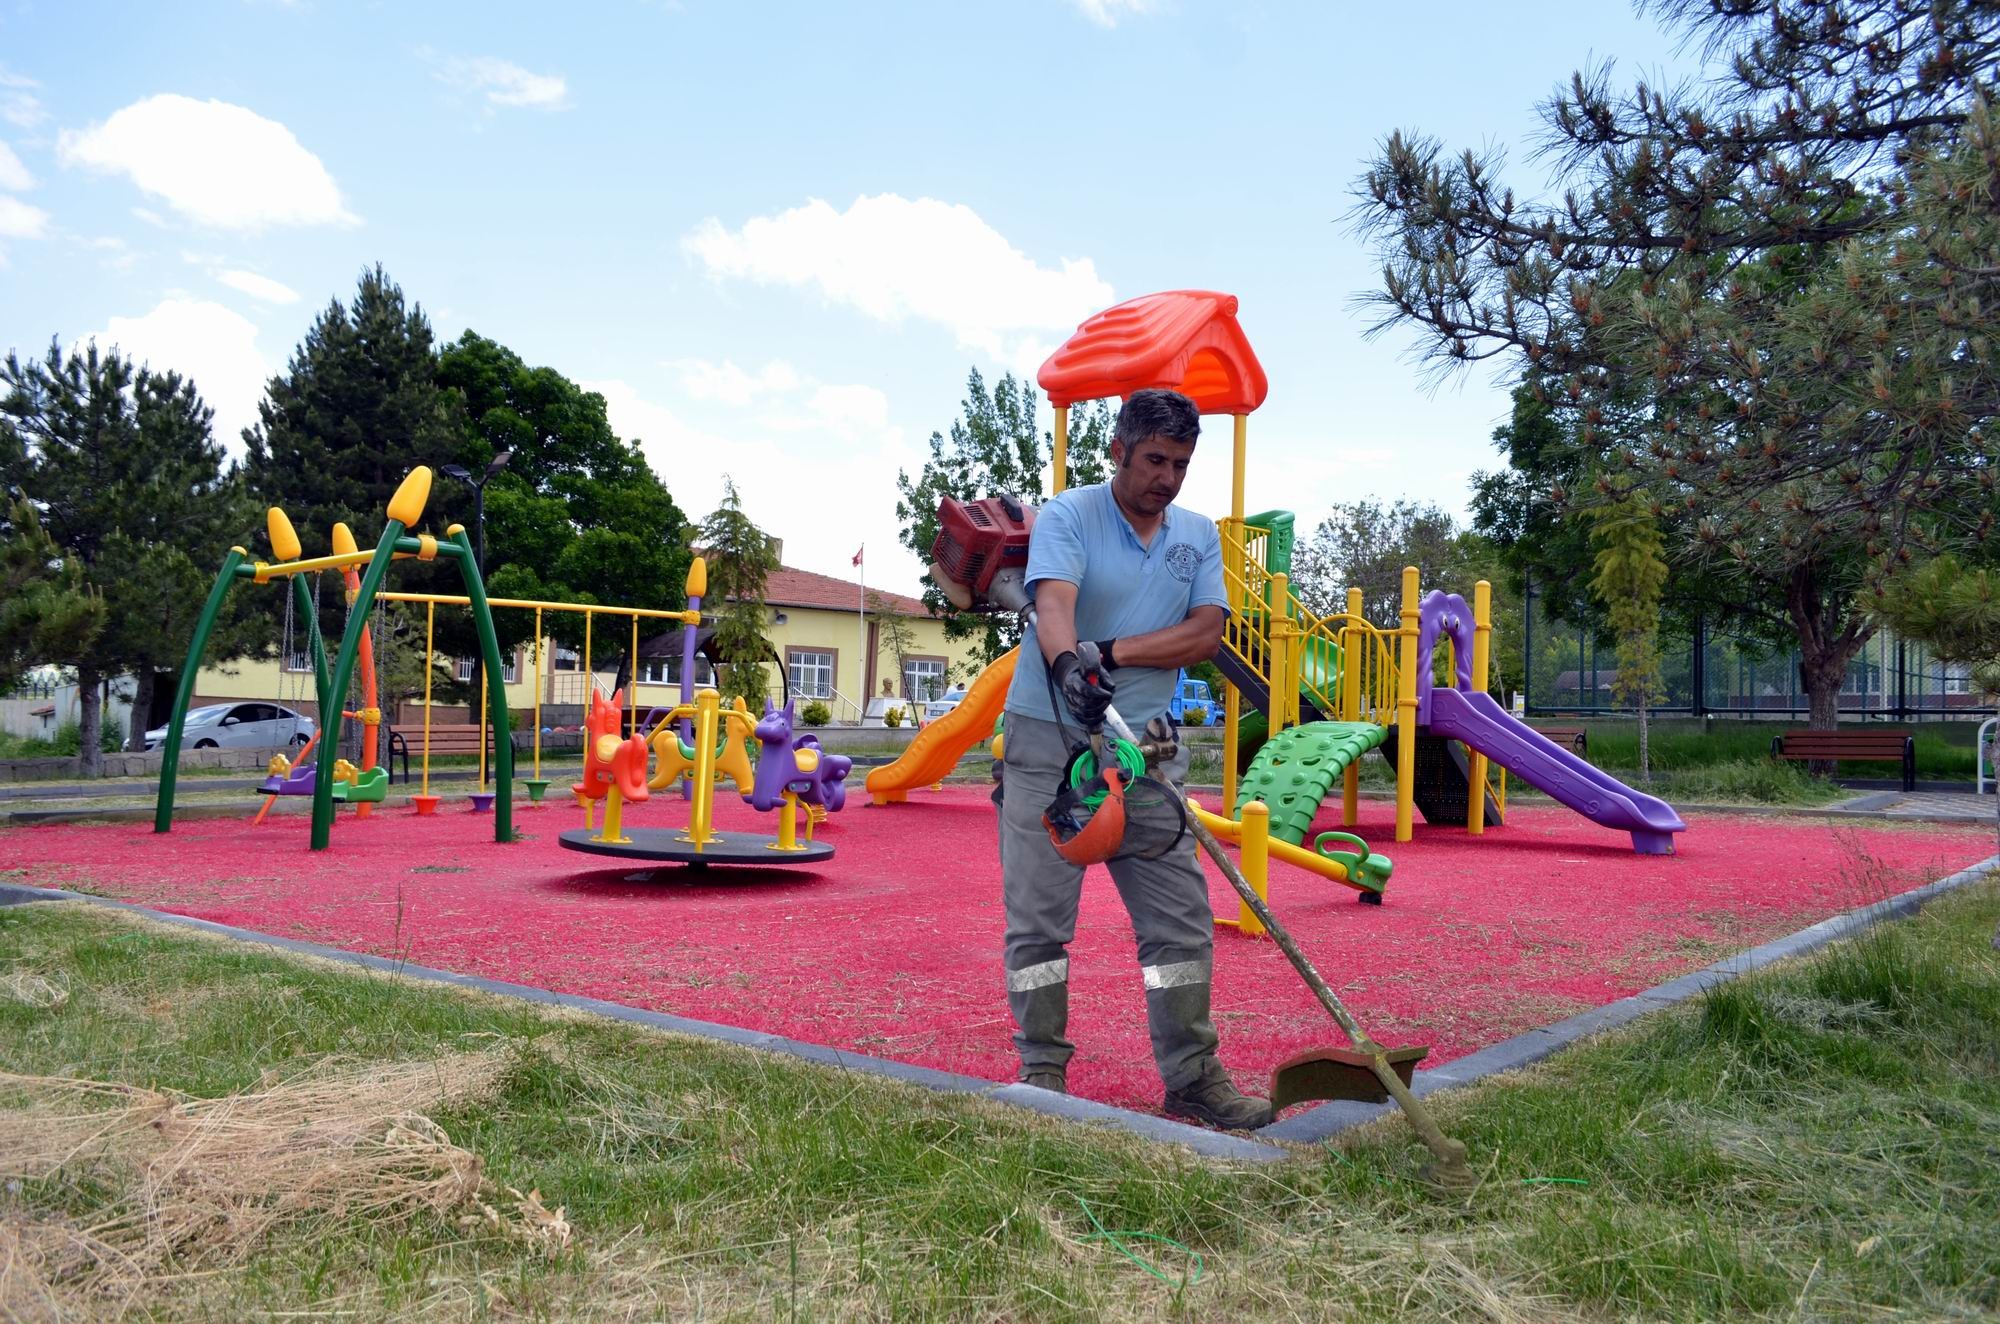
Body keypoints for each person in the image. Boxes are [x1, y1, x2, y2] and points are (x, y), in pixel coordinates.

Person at [995, 387, 1271, 1130]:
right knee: (1038, 925)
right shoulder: (1070, 516)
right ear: (1118, 449)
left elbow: (1205, 634)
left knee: (1180, 926)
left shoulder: (1196, 535)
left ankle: (1192, 1077)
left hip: (1147, 753)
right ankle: (1043, 1073)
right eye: (1155, 459)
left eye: (1181, 463)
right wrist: (1065, 667)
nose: (1168, 478)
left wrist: (1107, 652)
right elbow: (1055, 604)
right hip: (1048, 742)